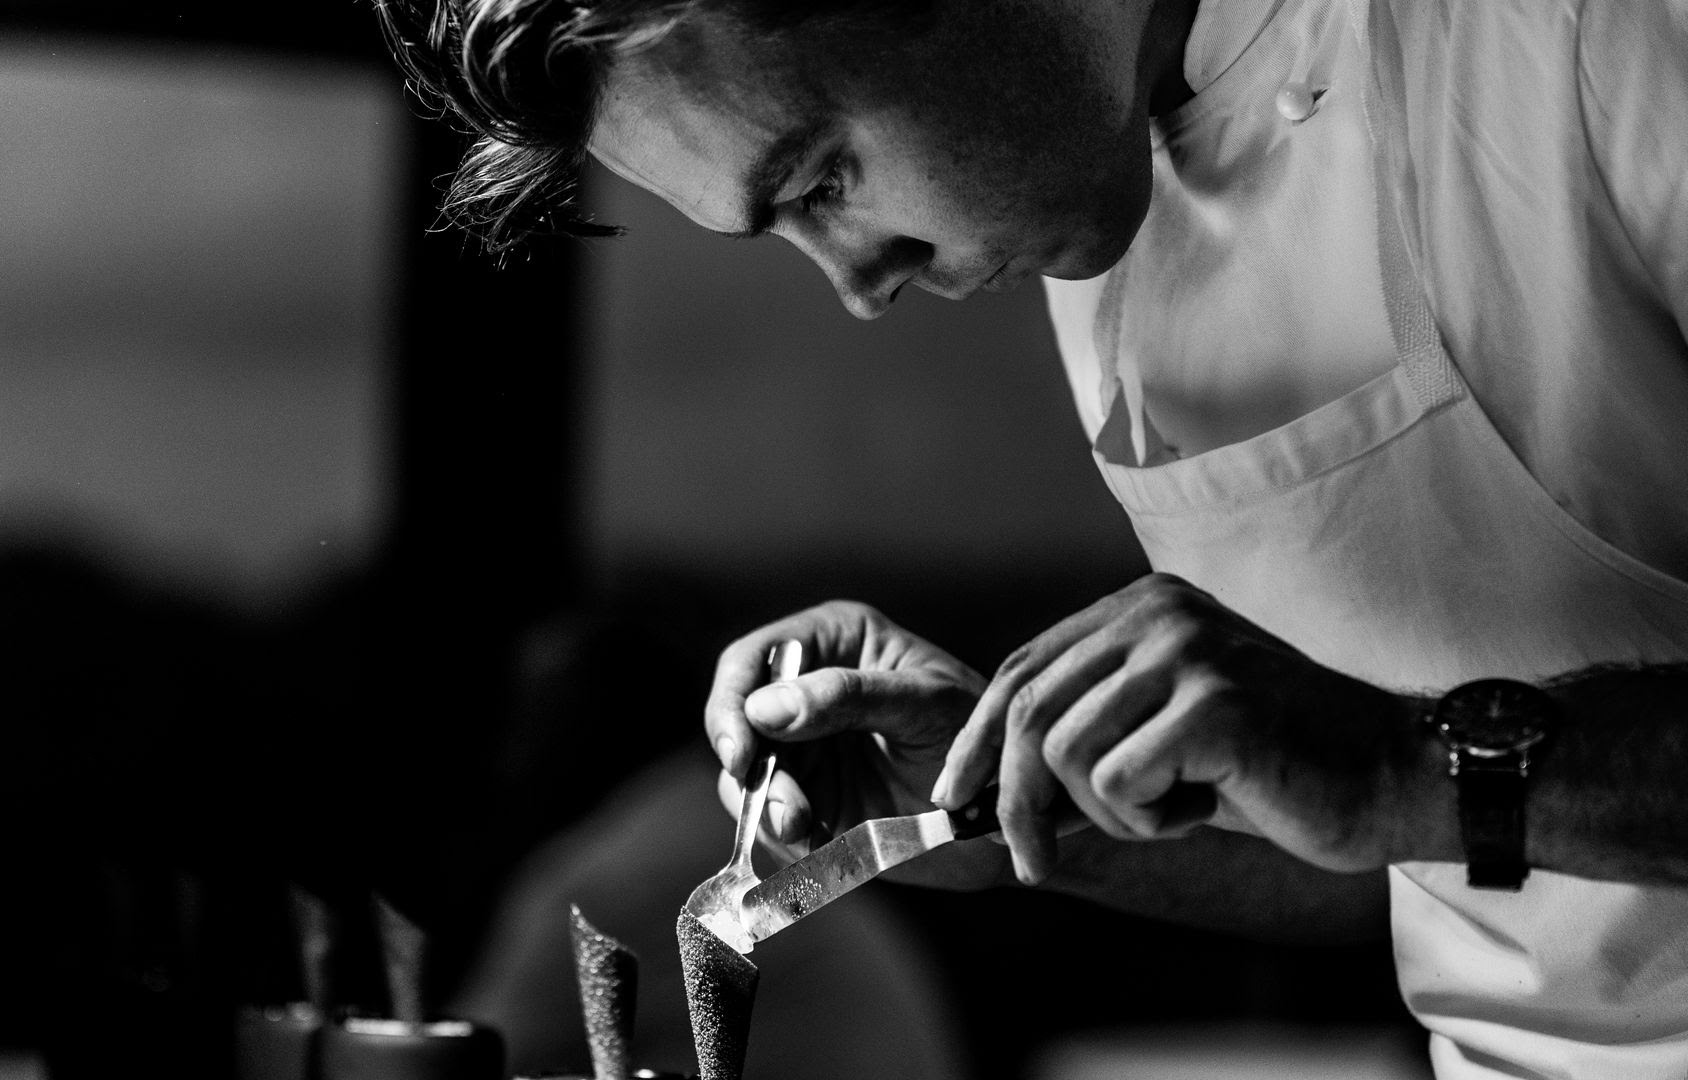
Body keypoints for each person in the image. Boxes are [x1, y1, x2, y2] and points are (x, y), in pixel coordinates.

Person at [375, 0, 1688, 1076]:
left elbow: (1404, 788)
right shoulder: (1094, 205)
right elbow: (1411, 857)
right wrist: (993, 806)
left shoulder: (1595, 37)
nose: (857, 288)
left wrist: (1399, 759)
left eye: (825, 175)